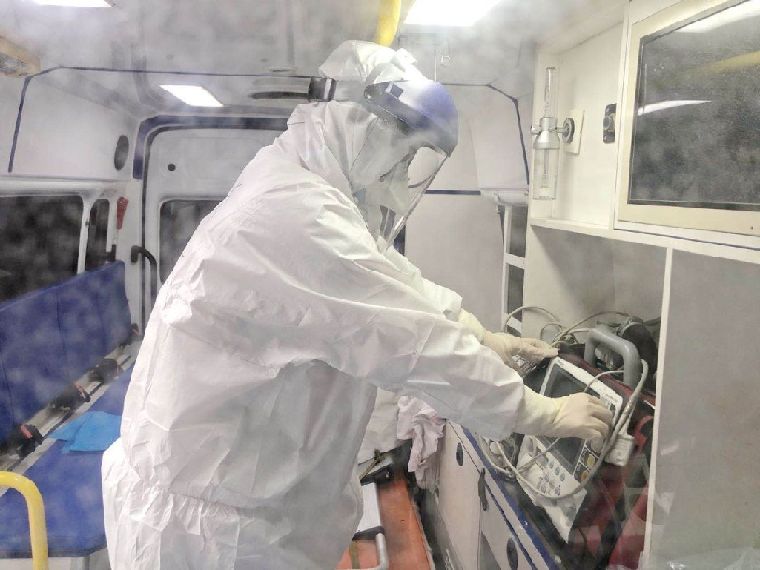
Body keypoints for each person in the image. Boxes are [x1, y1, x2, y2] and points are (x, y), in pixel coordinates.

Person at [101, 40, 613, 569]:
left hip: (238, 509)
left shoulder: (298, 185)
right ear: (362, 122)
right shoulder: (294, 215)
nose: (403, 171)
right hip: (212, 537)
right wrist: (541, 412)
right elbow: (414, 343)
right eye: (404, 151)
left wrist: (481, 335)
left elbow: (390, 278)